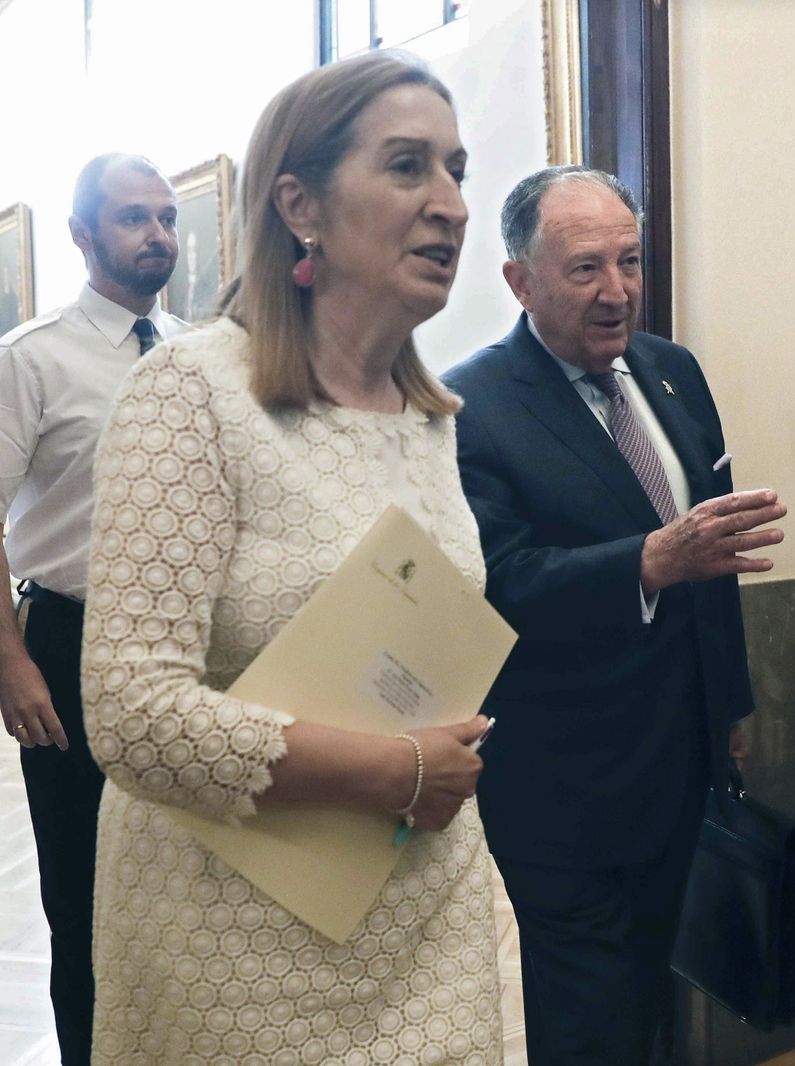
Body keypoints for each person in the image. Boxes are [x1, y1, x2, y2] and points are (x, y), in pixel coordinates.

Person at [79, 53, 501, 1063]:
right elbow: (131, 714)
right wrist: (392, 769)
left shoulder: (432, 418)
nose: (448, 204)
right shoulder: (193, 391)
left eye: (457, 170)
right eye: (408, 167)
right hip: (235, 944)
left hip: (426, 921)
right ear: (299, 204)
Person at [443, 165, 783, 1065]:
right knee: (585, 1014)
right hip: (561, 780)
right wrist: (643, 561)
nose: (617, 291)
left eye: (630, 262)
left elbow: (717, 553)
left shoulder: (673, 371)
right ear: (519, 280)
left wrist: (732, 703)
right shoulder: (468, 407)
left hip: (682, 757)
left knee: (655, 987)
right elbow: (496, 583)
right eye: (586, 267)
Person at [0, 152, 186, 1065]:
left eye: (166, 218)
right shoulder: (33, 360)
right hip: (70, 642)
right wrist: (10, 662)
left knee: (188, 889)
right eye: (133, 219)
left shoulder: (197, 354)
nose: (157, 236)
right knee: (84, 896)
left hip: (188, 650)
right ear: (81, 236)